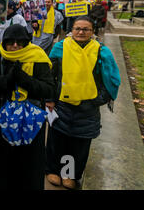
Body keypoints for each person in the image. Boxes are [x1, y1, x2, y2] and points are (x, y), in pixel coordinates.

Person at [45, 16, 121, 190]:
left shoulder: (102, 51)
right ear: (71, 30)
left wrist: (97, 100)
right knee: (58, 140)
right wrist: (50, 99)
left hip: (87, 108)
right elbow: (50, 75)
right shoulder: (60, 47)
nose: (80, 32)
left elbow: (110, 79)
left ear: (92, 32)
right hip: (62, 104)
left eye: (85, 29)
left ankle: (68, 173)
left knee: (78, 144)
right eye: (77, 28)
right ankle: (53, 170)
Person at [0, 24, 55, 190]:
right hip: (0, 120)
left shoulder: (38, 57)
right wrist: (7, 80)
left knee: (26, 167)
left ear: (26, 42)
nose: (15, 45)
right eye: (10, 42)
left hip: (29, 122)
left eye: (19, 42)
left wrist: (24, 80)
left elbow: (49, 89)